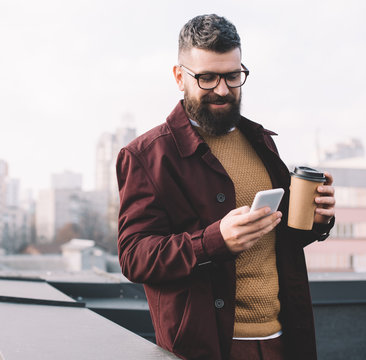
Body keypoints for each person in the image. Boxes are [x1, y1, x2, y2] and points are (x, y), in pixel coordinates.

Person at [115, 14, 336, 360]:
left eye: (233, 76)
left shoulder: (261, 142)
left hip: (284, 337)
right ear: (179, 77)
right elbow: (134, 257)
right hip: (208, 346)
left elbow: (277, 240)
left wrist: (317, 218)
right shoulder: (146, 156)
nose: (222, 89)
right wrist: (214, 241)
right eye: (207, 78)